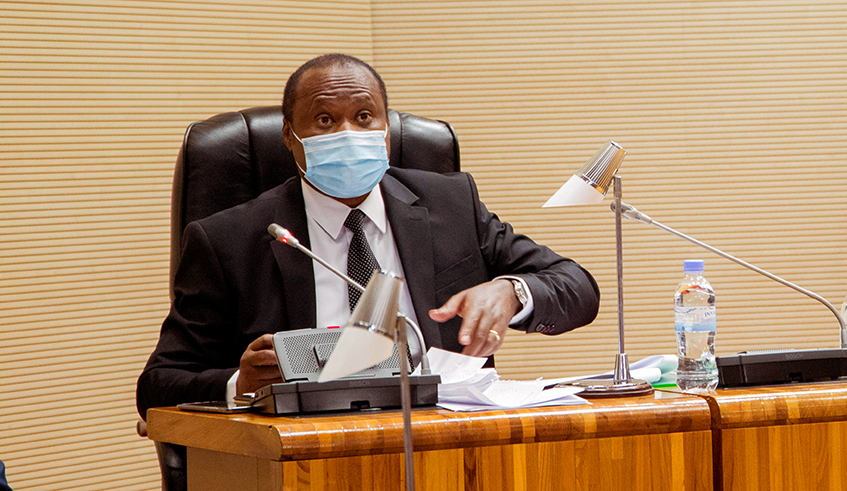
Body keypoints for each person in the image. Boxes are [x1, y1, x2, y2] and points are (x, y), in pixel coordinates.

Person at [136, 54, 600, 418]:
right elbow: (160, 383)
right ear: (289, 136)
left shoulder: (449, 204)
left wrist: (512, 291)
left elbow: (578, 286)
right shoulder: (228, 240)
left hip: (445, 441)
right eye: (324, 120)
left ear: (385, 129)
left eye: (363, 117)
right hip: (308, 449)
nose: (347, 132)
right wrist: (241, 384)